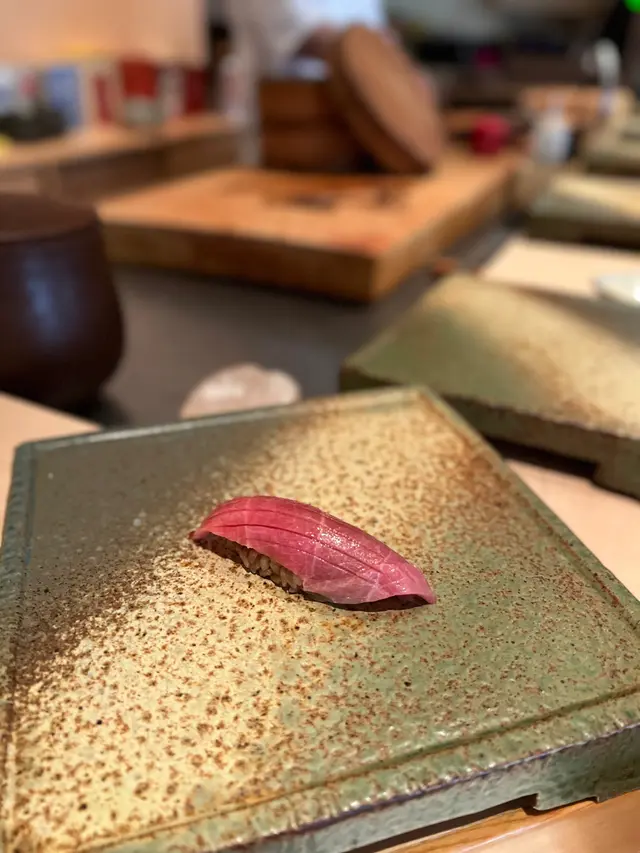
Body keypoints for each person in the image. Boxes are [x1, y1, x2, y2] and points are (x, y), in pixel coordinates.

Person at [219, 0, 389, 161]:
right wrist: (371, 54)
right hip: (284, 134)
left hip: (361, 137)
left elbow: (378, 36)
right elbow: (298, 36)